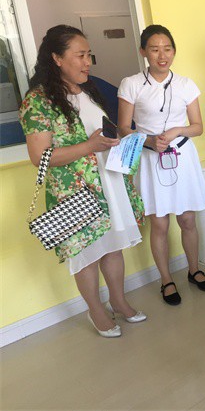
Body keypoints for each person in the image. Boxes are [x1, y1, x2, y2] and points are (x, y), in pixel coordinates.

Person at [19, 25, 146, 337]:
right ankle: (96, 311)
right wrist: (89, 146)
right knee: (87, 255)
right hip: (76, 194)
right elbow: (40, 157)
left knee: (113, 247)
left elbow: (100, 133)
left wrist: (120, 142)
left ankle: (119, 301)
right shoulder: (38, 100)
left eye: (89, 54)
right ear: (57, 58)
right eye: (80, 55)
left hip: (109, 183)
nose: (88, 62)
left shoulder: (87, 91)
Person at [117, 25, 205, 306]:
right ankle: (166, 280)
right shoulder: (131, 84)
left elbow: (198, 127)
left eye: (167, 49)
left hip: (182, 156)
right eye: (155, 49)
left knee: (188, 219)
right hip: (150, 159)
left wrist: (177, 131)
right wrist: (148, 141)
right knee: (159, 224)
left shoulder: (186, 84)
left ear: (174, 51)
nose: (162, 55)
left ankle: (194, 270)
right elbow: (123, 128)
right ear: (143, 52)